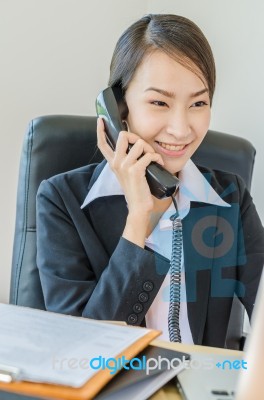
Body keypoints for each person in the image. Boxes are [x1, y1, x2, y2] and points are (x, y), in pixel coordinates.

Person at [36, 14, 264, 348]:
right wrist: (139, 219)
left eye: (198, 103)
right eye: (159, 102)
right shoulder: (62, 200)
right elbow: (83, 350)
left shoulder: (229, 197)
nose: (181, 128)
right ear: (118, 109)